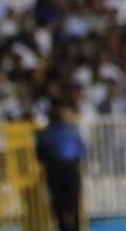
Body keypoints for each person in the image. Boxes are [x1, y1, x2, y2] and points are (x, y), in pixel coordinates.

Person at [35, 98, 86, 231]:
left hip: (54, 171)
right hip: (71, 169)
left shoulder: (44, 133)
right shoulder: (73, 130)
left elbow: (40, 155)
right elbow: (82, 151)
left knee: (59, 206)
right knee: (73, 206)